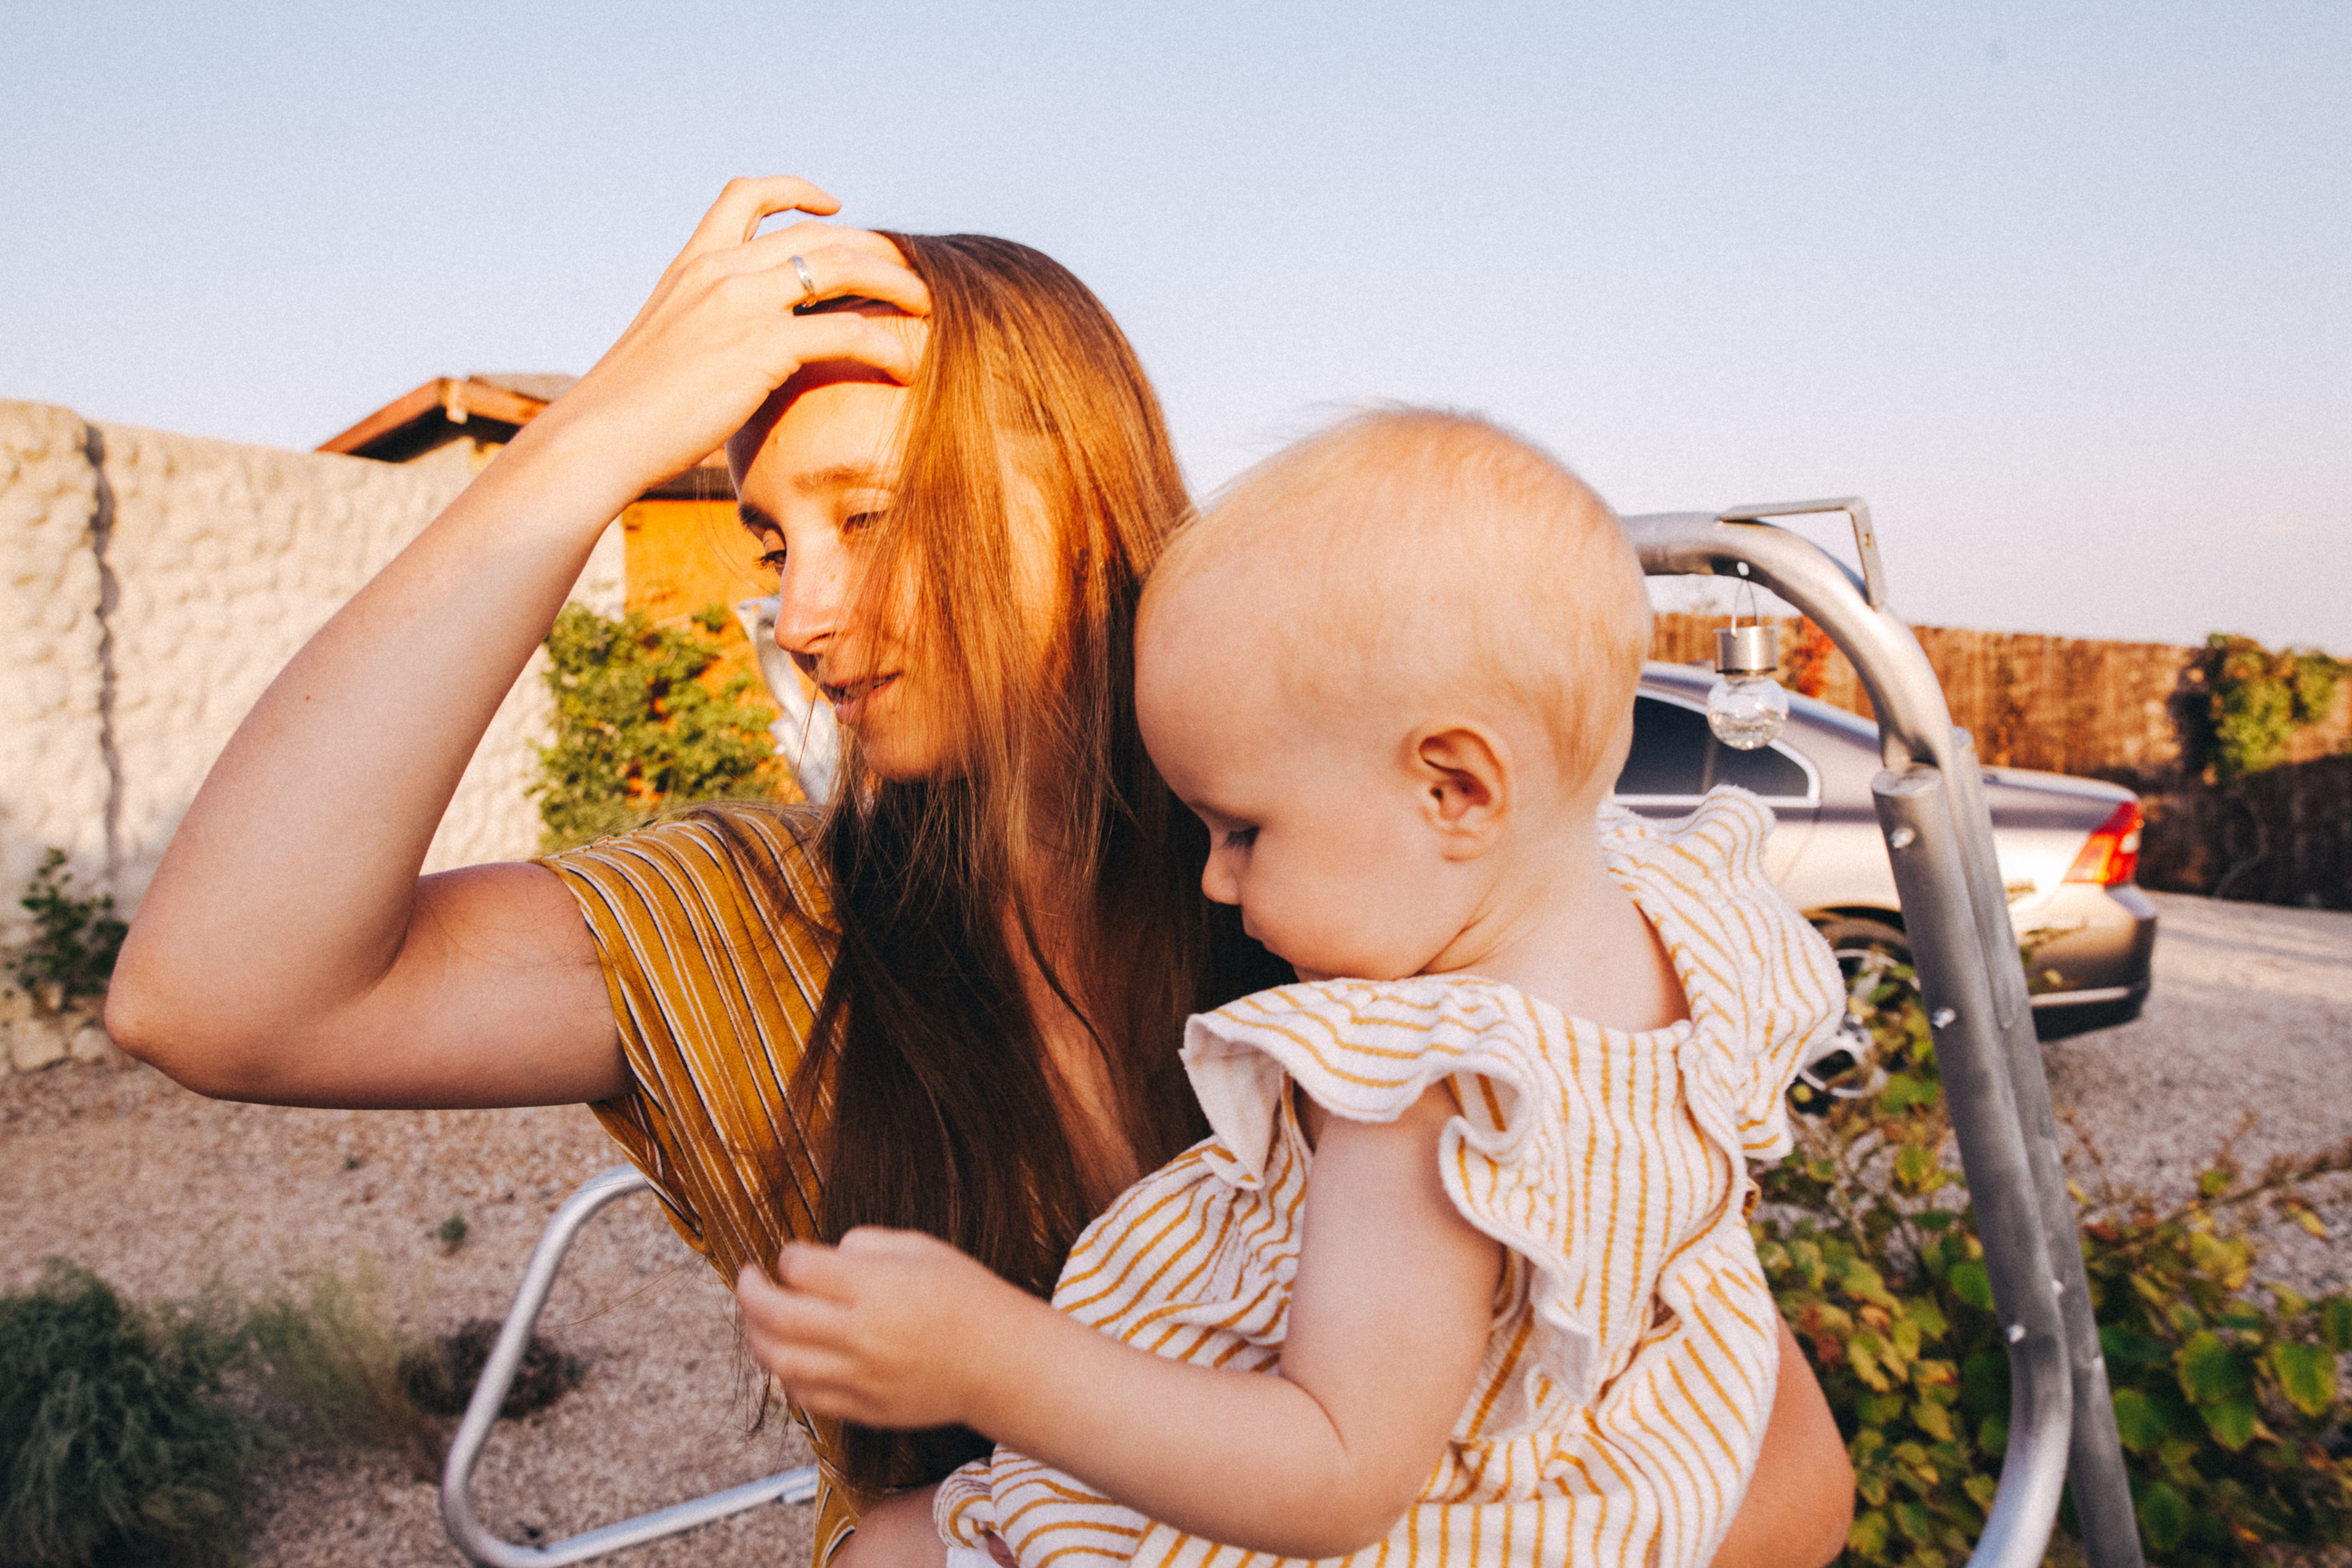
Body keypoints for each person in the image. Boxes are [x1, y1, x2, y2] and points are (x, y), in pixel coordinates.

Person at [106, 179, 1850, 1567]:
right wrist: (586, 446)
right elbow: (212, 996)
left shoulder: (1384, 885)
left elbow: (1763, 1473)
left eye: (870, 513)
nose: (799, 615)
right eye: (767, 541)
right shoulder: (752, 925)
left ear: (1081, 483)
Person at [730, 409, 1850, 1568]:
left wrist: (989, 1357)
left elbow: (1330, 1471)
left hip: (1334, 1524)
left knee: (895, 1551)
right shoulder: (1681, 919)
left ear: (1455, 790)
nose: (1214, 881)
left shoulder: (1425, 1089)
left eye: (1243, 830)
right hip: (1618, 1460)